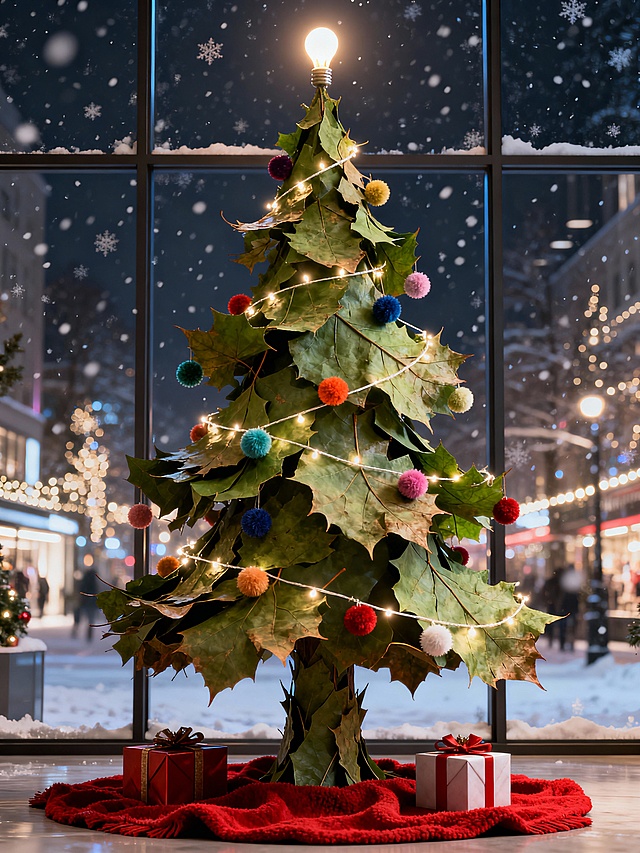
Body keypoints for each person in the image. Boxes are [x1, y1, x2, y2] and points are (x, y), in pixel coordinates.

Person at [71, 567, 101, 641]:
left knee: (79, 617)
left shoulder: (84, 581)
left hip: (83, 602)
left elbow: (81, 590)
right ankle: (89, 634)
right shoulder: (94, 582)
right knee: (90, 619)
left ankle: (75, 630)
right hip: (91, 603)